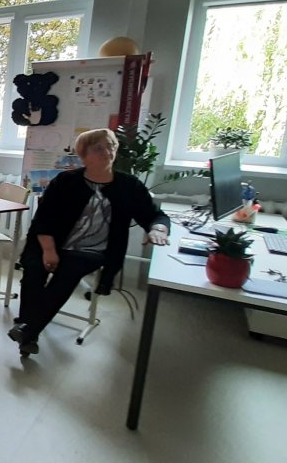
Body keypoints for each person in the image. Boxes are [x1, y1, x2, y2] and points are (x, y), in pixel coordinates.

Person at [9, 128, 170, 355]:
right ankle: (29, 330)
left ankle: (28, 330)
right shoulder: (66, 181)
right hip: (50, 242)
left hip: (92, 250)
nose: (107, 151)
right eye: (98, 148)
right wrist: (49, 250)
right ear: (84, 154)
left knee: (67, 274)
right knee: (34, 271)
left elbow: (155, 215)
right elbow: (43, 220)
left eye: (111, 146)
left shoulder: (129, 186)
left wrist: (158, 229)